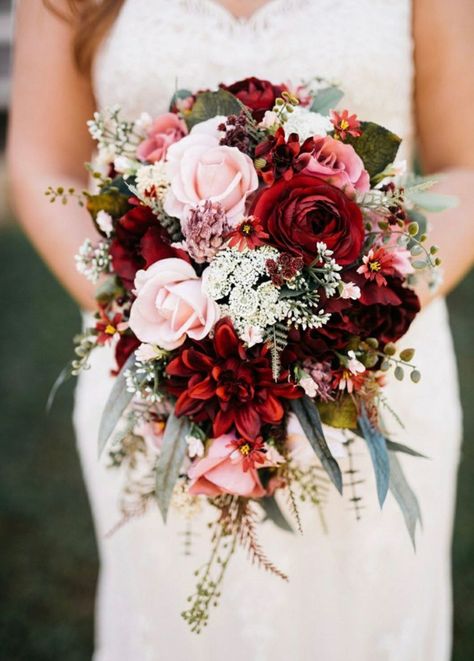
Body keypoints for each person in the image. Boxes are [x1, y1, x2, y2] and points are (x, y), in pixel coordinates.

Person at [7, 1, 474, 659]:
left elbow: (466, 168)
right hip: (164, 387)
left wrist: (351, 322)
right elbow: (41, 163)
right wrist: (171, 327)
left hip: (368, 377)